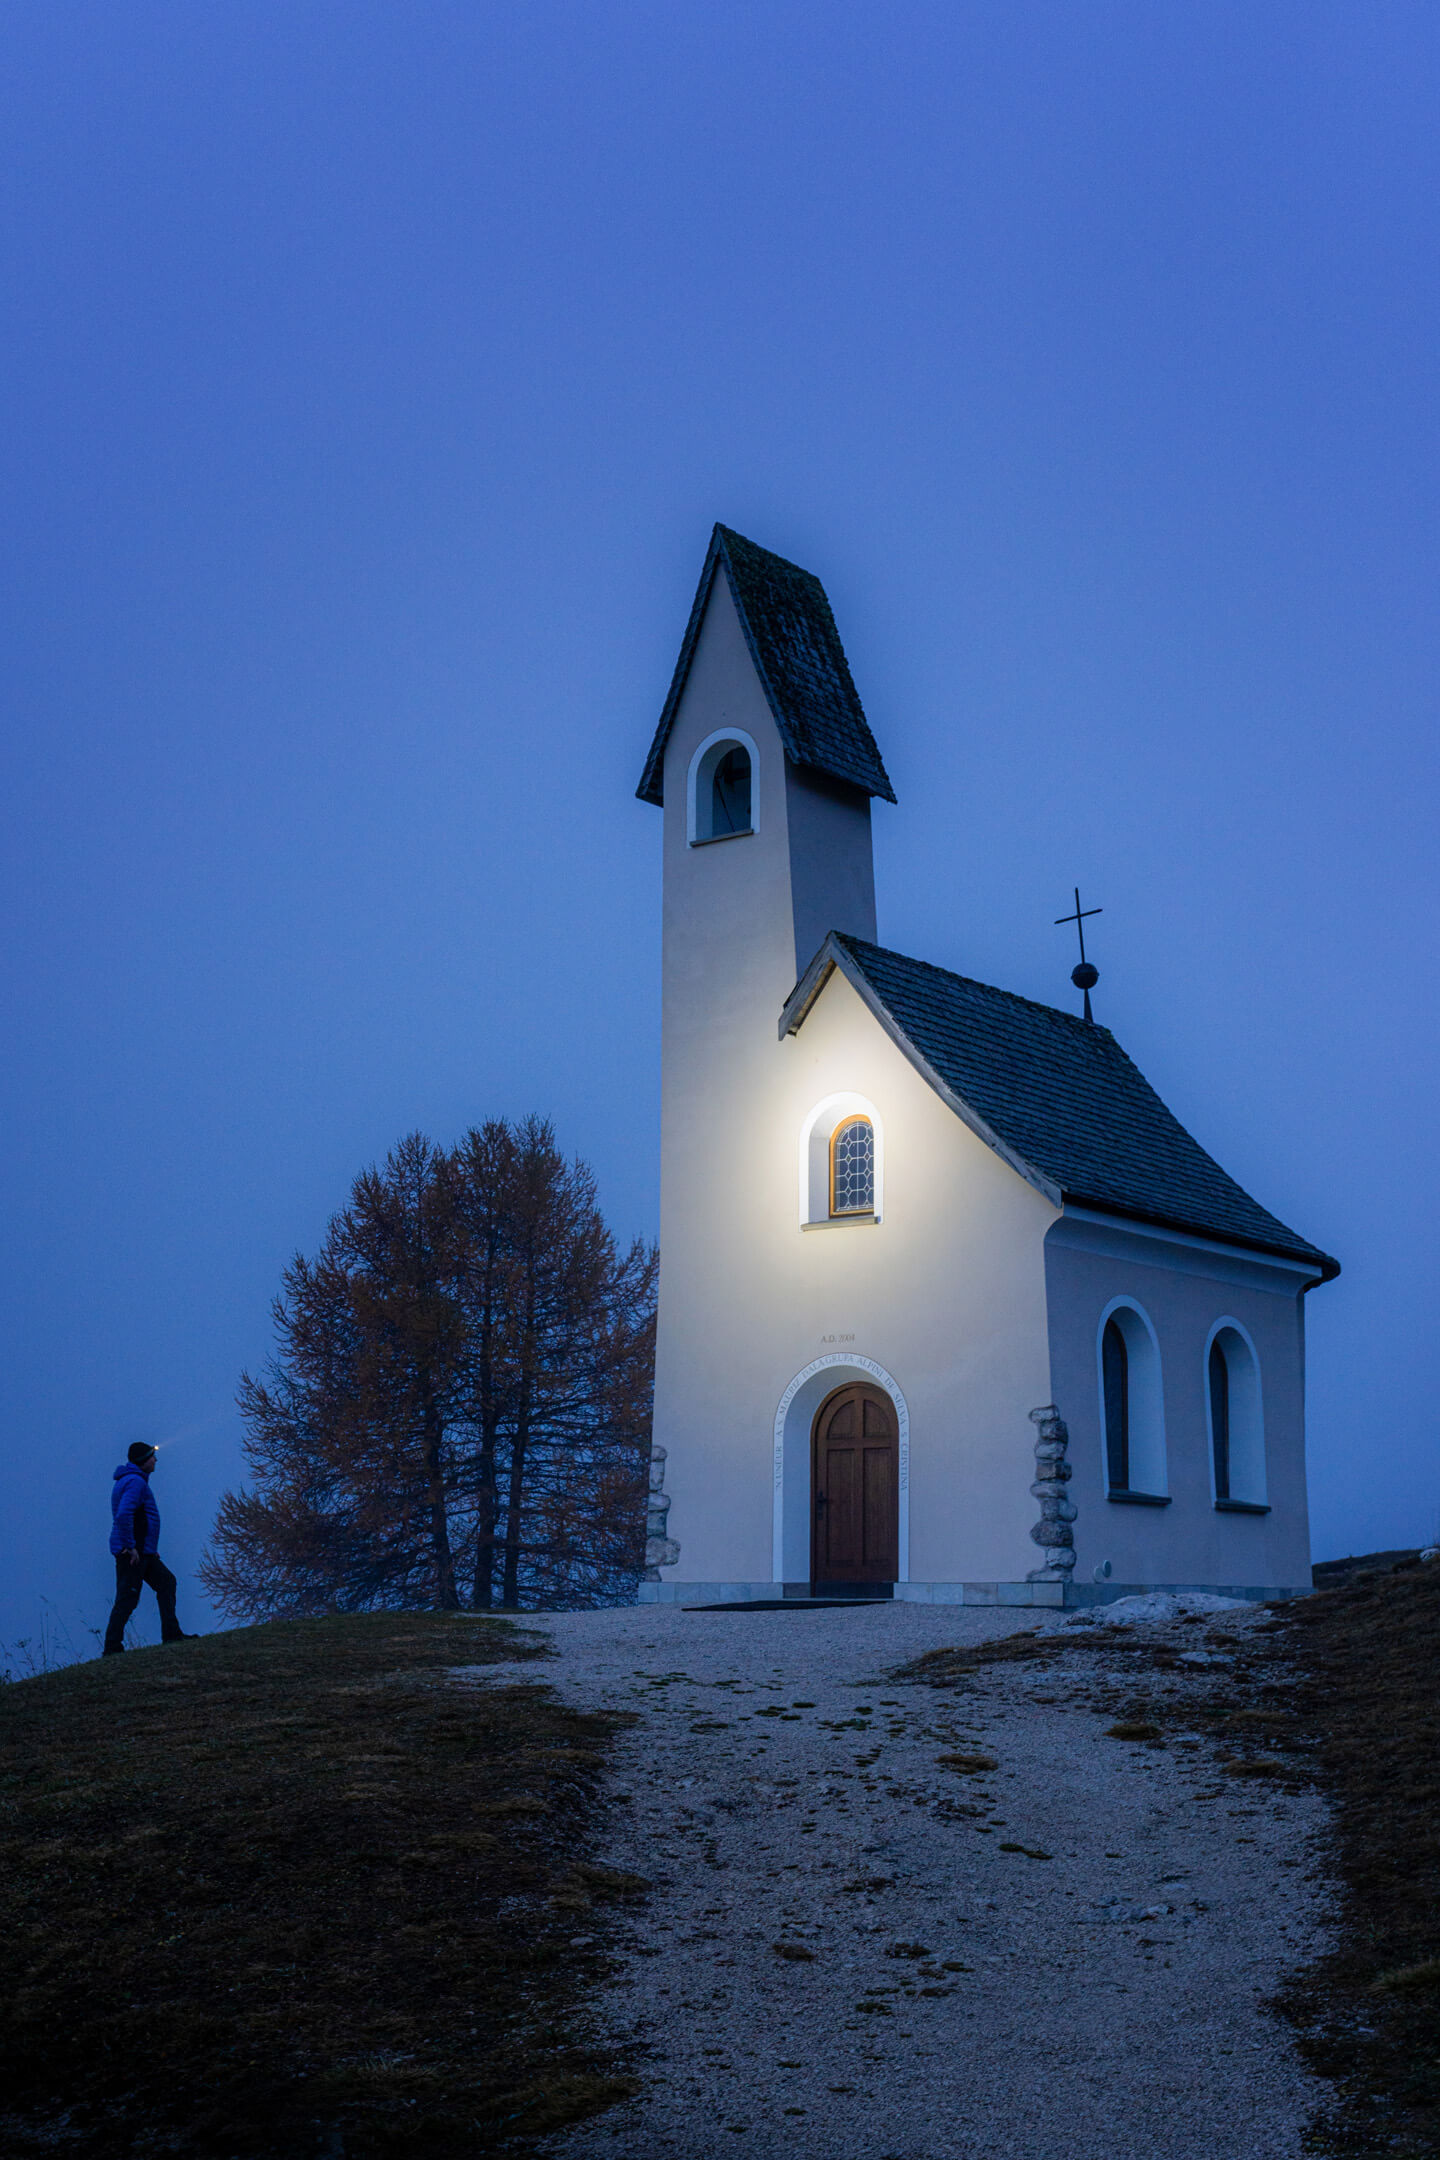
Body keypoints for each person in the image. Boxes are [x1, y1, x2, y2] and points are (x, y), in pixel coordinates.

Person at [103, 1442, 191, 1655]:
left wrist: (149, 1548)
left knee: (166, 1582)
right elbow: (124, 1515)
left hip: (144, 1551)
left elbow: (140, 1519)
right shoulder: (135, 1483)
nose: (155, 1460)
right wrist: (130, 1547)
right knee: (127, 1597)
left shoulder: (133, 1481)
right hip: (133, 1553)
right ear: (143, 1460)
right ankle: (112, 1648)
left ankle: (172, 1634)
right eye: (152, 1457)